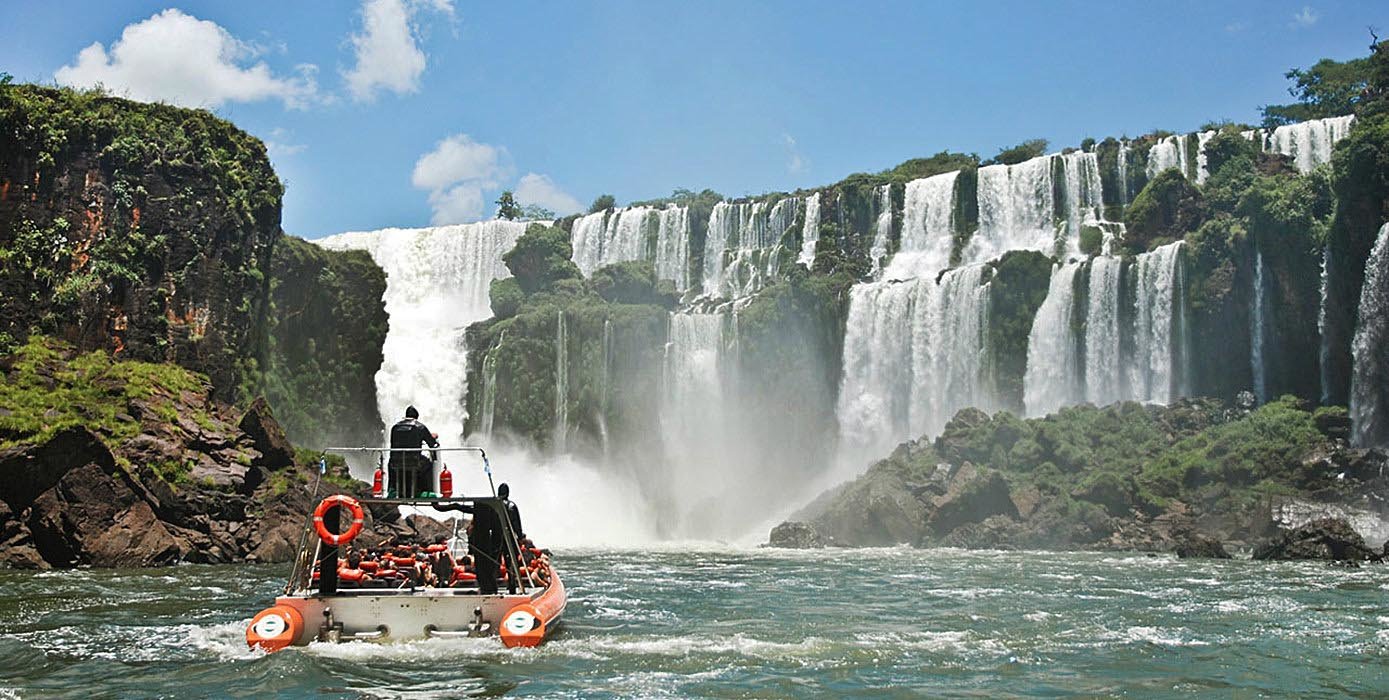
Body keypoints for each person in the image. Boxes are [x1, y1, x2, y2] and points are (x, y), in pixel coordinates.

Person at [388, 406, 439, 498]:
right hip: (414, 461)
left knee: (390, 462)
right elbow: (432, 444)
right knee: (428, 463)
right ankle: (427, 490)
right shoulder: (420, 427)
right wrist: (433, 437)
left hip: (396, 462)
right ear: (416, 417)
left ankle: (392, 488)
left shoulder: (395, 427)